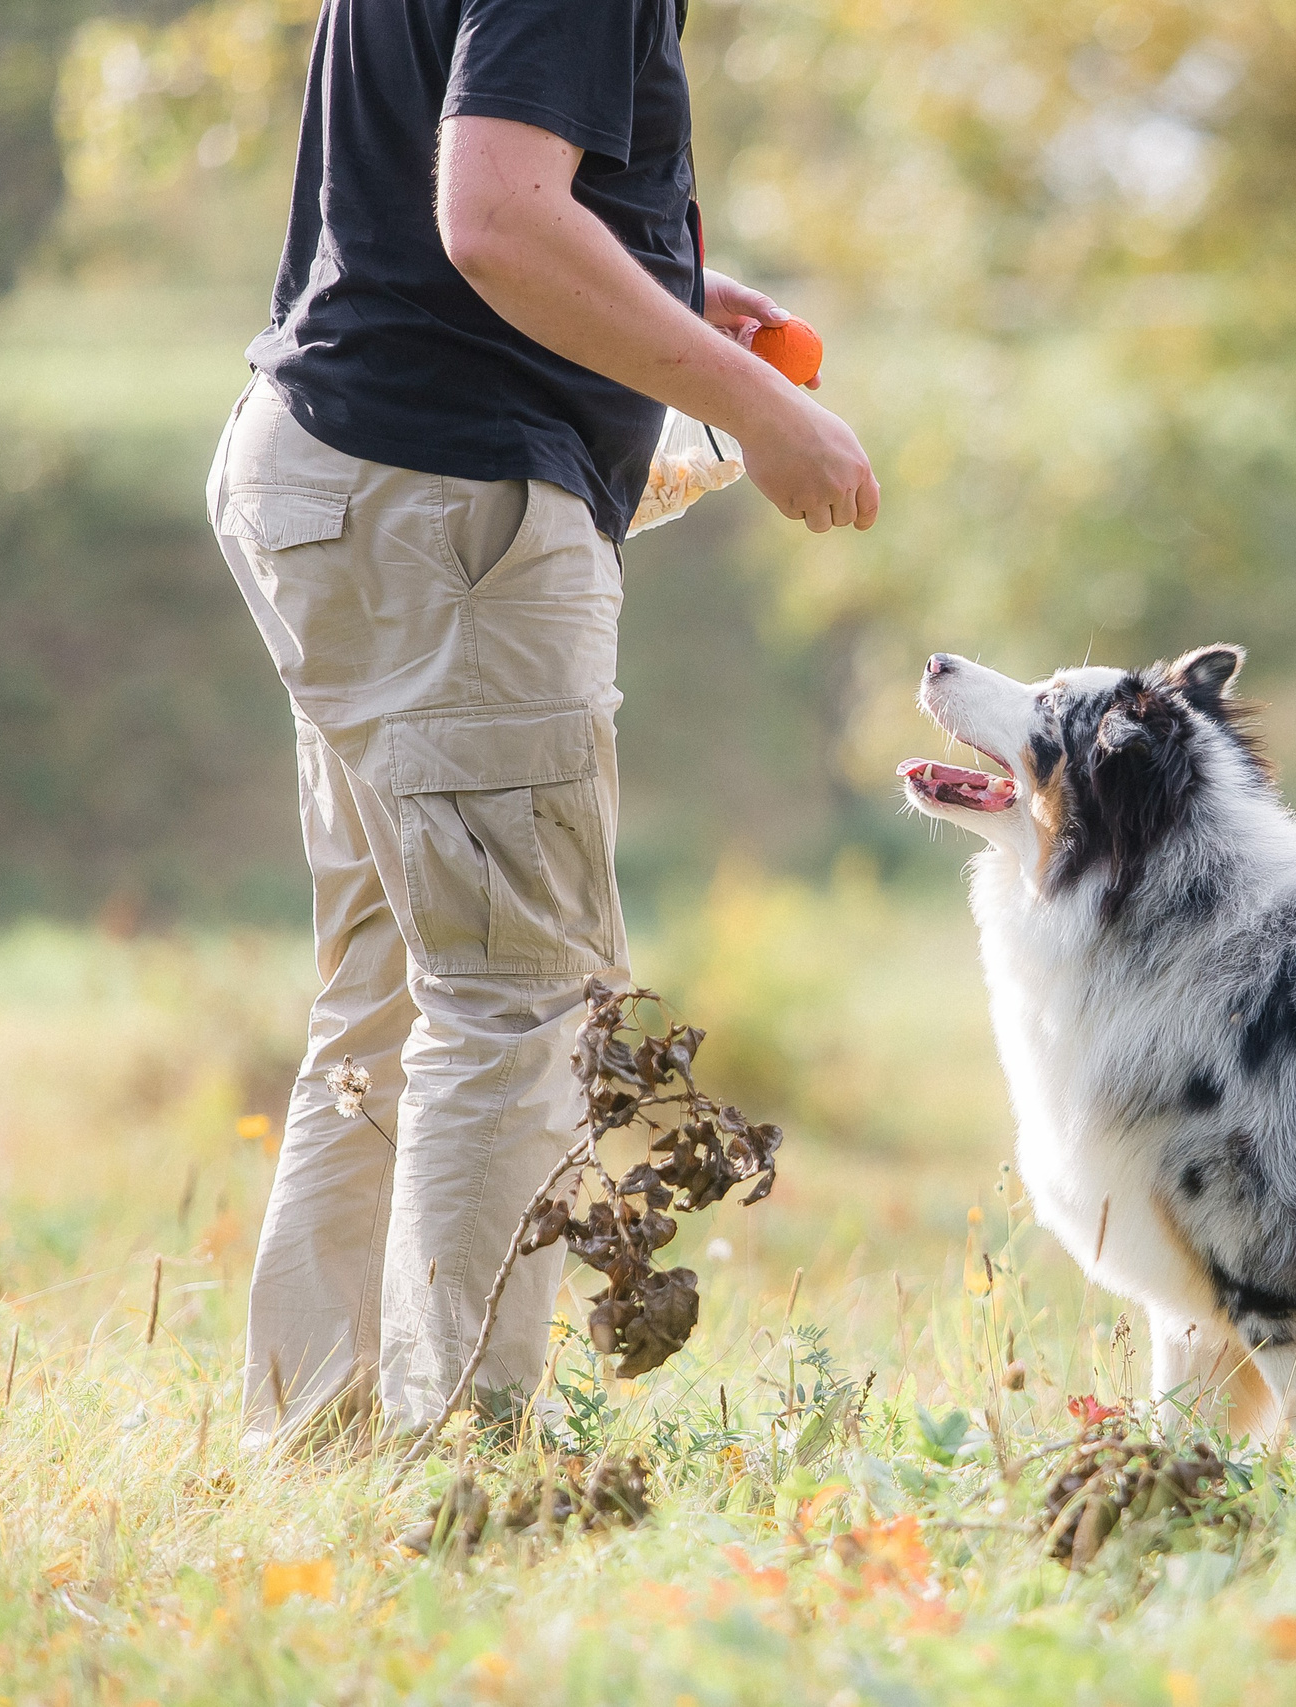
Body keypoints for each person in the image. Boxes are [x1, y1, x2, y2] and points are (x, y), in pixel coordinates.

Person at [208, 0, 872, 1448]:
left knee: (393, 991)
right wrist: (758, 406)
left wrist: (659, 286)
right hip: (443, 498)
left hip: (338, 467)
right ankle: (467, 1464)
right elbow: (496, 223)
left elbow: (447, 184)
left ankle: (320, 1444)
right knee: (519, 1006)